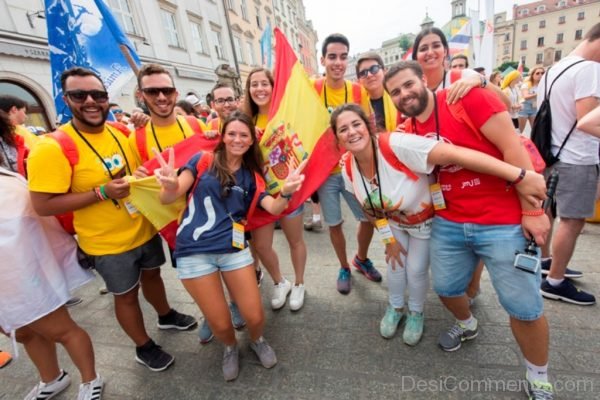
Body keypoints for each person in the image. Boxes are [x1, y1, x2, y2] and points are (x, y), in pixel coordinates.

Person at [384, 61, 553, 399]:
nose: (404, 95)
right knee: (446, 288)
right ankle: (467, 324)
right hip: (450, 222)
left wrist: (532, 209)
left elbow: (512, 147)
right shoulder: (407, 131)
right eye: (396, 92)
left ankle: (539, 376)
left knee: (523, 308)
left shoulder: (465, 98)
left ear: (423, 79)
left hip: (503, 220)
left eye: (408, 85)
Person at [331, 103, 546, 346]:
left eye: (356, 124)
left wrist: (518, 175)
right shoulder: (347, 166)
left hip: (424, 221)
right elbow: (368, 207)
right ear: (338, 138)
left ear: (368, 126)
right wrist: (388, 240)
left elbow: (454, 154)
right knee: (395, 265)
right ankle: (395, 308)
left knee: (415, 270)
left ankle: (416, 313)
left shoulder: (396, 144)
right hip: (393, 222)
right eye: (343, 129)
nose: (351, 132)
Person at [27, 67, 196, 373]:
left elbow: (137, 167)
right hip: (107, 242)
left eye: (98, 95)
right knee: (126, 295)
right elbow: (42, 204)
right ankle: (143, 346)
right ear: (66, 99)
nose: (91, 101)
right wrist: (100, 193)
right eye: (80, 95)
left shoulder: (120, 131)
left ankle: (166, 315)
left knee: (153, 276)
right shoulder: (51, 147)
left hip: (143, 227)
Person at [155, 111, 306, 381]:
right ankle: (229, 347)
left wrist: (285, 192)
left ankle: (257, 340)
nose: (237, 139)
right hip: (193, 251)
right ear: (223, 137)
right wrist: (168, 185)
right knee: (221, 323)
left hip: (233, 251)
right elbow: (171, 195)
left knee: (255, 316)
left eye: (243, 135)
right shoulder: (202, 161)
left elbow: (272, 207)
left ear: (251, 142)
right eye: (232, 133)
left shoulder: (253, 177)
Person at [312, 33, 381, 294]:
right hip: (326, 172)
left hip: (354, 167)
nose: (337, 62)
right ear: (323, 60)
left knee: (369, 216)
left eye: (343, 57)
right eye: (332, 57)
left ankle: (361, 258)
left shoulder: (357, 91)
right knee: (334, 223)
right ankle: (344, 266)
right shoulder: (313, 87)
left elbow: (369, 127)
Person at [538, 23, 600, 306]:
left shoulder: (553, 70)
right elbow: (588, 120)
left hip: (551, 154)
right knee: (572, 221)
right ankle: (555, 281)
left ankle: (548, 262)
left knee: (549, 212)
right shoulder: (588, 69)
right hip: (577, 157)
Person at [240, 67, 309, 311]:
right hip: (261, 195)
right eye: (254, 84)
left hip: (289, 191)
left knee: (295, 240)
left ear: (273, 86)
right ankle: (280, 281)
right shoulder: (245, 120)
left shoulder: (286, 113)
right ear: (248, 90)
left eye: (264, 84)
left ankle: (299, 283)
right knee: (260, 245)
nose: (259, 89)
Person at [355, 52, 400, 132]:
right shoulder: (357, 108)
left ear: (384, 71)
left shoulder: (400, 96)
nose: (369, 75)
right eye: (363, 73)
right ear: (359, 80)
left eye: (374, 69)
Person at [518, 67, 544, 133]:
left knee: (535, 130)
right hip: (524, 108)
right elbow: (525, 96)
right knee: (520, 130)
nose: (540, 75)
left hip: (535, 108)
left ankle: (533, 143)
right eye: (537, 73)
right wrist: (537, 94)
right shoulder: (527, 84)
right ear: (532, 75)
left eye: (542, 73)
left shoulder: (542, 85)